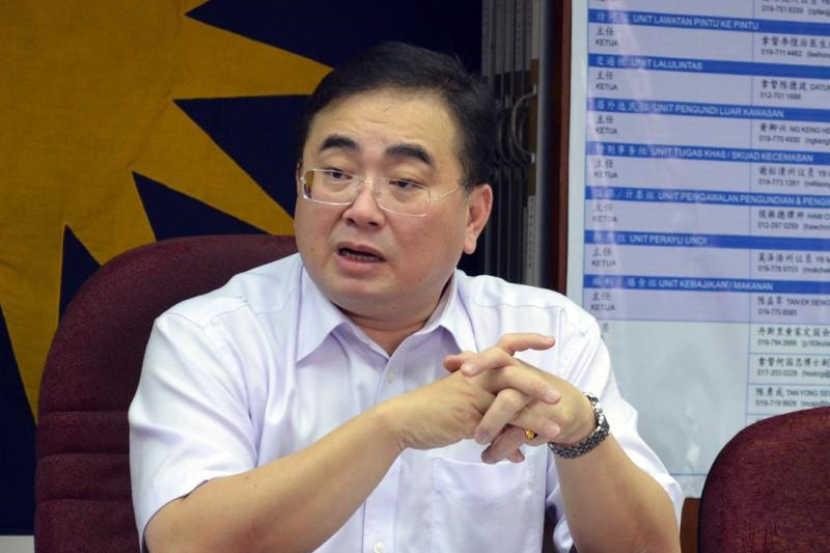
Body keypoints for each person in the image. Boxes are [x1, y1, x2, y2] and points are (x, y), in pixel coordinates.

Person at [129, 41, 683, 553]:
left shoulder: (550, 336)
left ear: (473, 216)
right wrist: (391, 429)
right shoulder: (210, 336)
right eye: (336, 173)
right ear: (300, 182)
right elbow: (184, 544)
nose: (361, 209)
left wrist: (582, 432)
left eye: (404, 183)